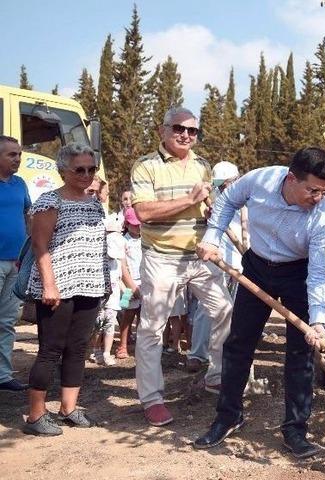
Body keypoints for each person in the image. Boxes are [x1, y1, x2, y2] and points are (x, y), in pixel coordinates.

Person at [193, 147, 325, 459]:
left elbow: (321, 270)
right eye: (313, 190)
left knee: (300, 352)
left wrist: (318, 320)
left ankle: (295, 430)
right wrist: (212, 236)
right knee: (238, 344)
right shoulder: (260, 180)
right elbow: (227, 200)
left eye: (324, 191)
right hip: (256, 268)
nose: (318, 198)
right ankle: (228, 417)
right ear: (291, 179)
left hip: (297, 273)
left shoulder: (321, 215)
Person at [130, 106, 234, 426]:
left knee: (225, 311)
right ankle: (152, 399)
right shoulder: (146, 166)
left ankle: (216, 376)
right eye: (179, 128)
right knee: (153, 328)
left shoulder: (203, 165)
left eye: (192, 131)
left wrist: (210, 212)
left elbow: (207, 207)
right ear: (162, 130)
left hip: (200, 256)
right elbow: (144, 212)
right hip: (162, 257)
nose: (186, 135)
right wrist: (190, 200)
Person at [23, 142, 108, 435]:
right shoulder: (50, 201)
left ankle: (68, 408)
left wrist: (103, 283)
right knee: (50, 350)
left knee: (78, 348)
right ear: (63, 171)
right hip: (57, 288)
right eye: (79, 170)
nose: (87, 175)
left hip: (90, 286)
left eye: (91, 169)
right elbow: (39, 245)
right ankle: (35, 415)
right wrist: (49, 285)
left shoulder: (94, 202)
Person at [186, 160, 244, 373]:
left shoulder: (248, 200)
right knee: (206, 308)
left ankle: (226, 354)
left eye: (225, 185)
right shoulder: (214, 202)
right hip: (216, 260)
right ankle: (197, 354)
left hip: (240, 261)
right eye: (219, 186)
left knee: (234, 309)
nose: (222, 190)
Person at [0, 136, 30, 392]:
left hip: (16, 264)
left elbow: (28, 215)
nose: (17, 159)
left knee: (7, 321)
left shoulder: (20, 184)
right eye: (12, 154)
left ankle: (3, 376)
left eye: (19, 154)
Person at [90, 213, 125, 366]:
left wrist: (126, 295)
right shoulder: (98, 261)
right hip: (99, 298)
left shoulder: (117, 264)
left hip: (113, 299)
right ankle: (95, 349)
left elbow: (120, 280)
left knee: (110, 324)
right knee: (98, 324)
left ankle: (106, 352)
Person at [116, 208, 142, 360]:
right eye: (134, 224)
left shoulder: (144, 239)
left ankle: (140, 344)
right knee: (127, 314)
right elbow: (122, 266)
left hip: (144, 282)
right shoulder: (123, 241)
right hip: (128, 284)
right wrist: (130, 286)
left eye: (139, 224)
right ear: (127, 224)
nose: (137, 227)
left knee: (142, 315)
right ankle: (122, 345)